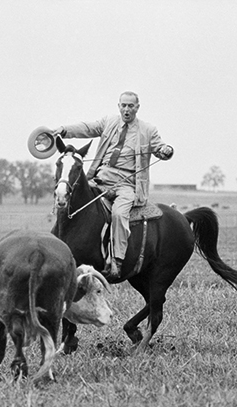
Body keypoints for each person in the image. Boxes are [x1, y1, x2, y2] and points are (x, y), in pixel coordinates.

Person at [53, 91, 173, 280]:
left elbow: (160, 147)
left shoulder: (148, 130)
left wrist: (166, 150)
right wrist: (63, 130)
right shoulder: (109, 122)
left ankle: (116, 260)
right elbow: (87, 128)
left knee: (118, 213)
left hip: (127, 185)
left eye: (131, 106)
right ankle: (58, 245)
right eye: (123, 105)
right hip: (101, 179)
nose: (127, 109)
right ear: (118, 106)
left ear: (137, 108)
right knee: (71, 198)